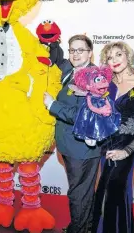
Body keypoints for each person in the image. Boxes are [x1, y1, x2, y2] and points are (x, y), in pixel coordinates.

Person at [43, 35, 117, 233]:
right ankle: (84, 226)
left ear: (90, 53)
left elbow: (82, 114)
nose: (75, 54)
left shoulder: (95, 78)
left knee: (79, 193)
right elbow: (55, 58)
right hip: (70, 145)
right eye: (72, 50)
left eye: (80, 50)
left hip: (82, 148)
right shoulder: (70, 70)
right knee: (82, 192)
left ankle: (79, 229)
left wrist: (53, 105)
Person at [92, 41, 134, 233]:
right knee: (105, 191)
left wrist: (127, 151)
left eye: (118, 55)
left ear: (127, 56)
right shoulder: (106, 84)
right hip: (106, 146)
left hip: (126, 148)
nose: (114, 60)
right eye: (109, 58)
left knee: (114, 190)